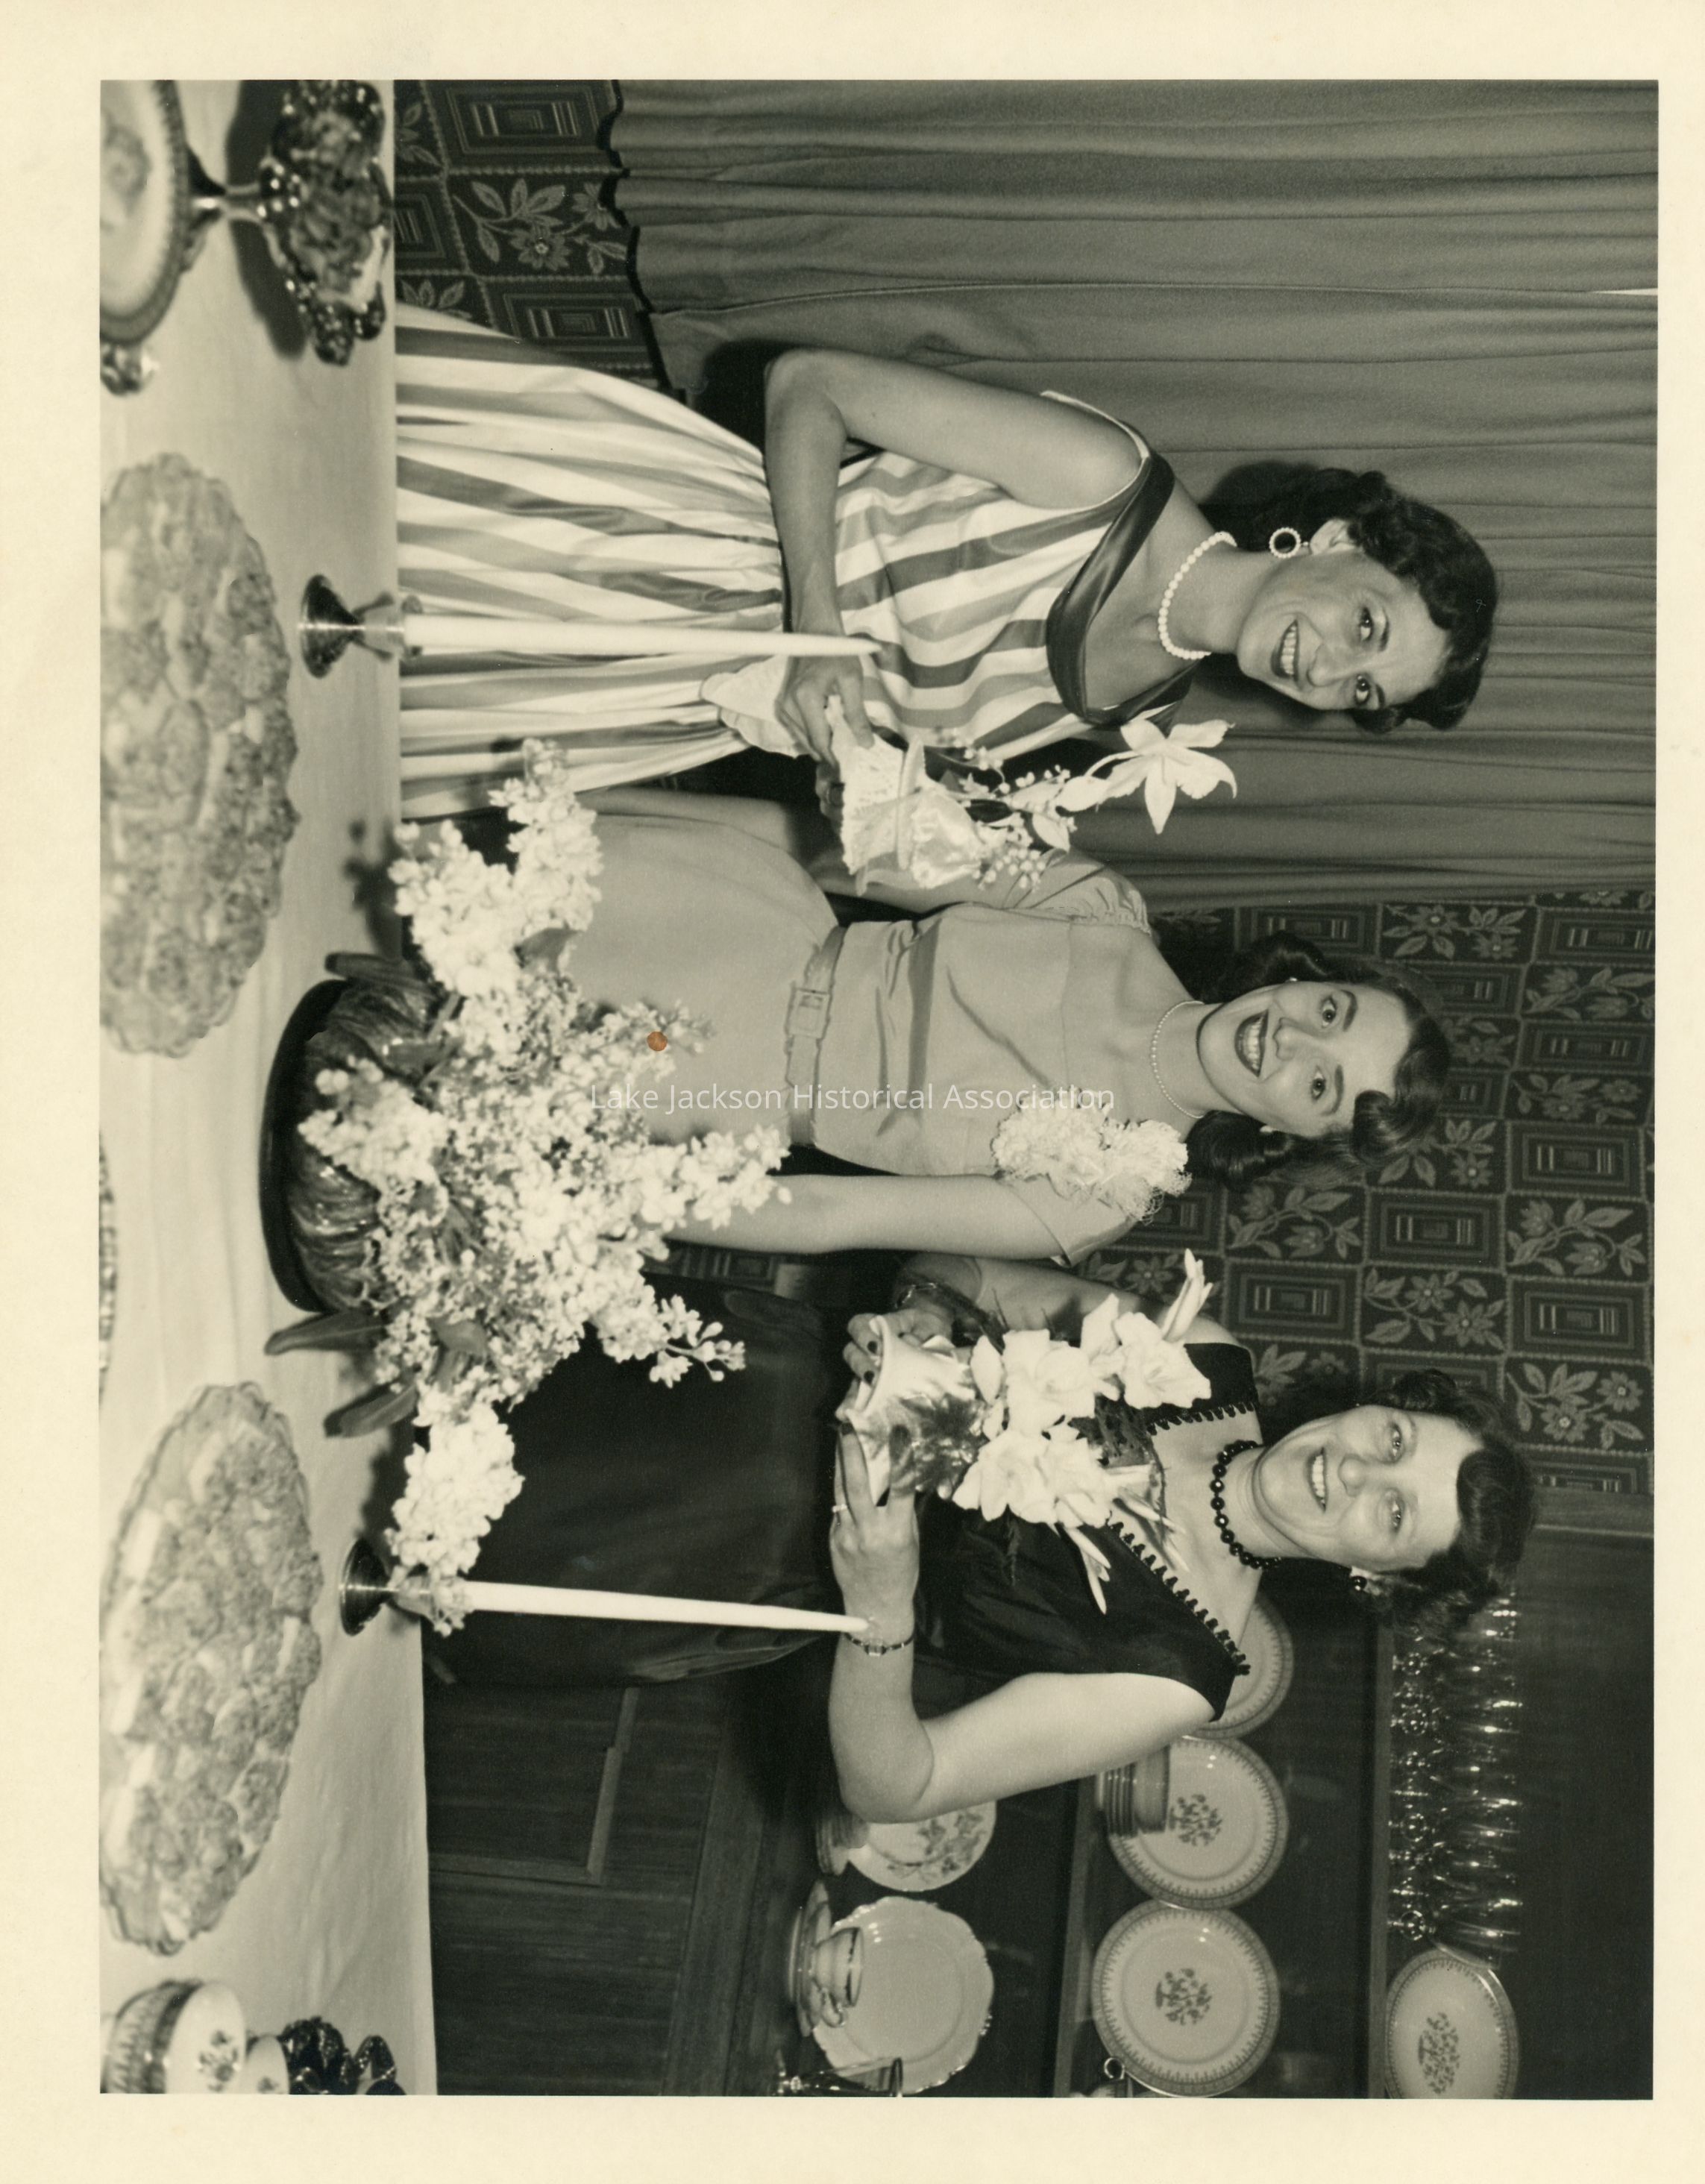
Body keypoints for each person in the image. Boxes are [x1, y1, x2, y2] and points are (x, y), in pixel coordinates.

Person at [426, 1253, 1533, 1824]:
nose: (1356, 1471)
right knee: (417, 1325)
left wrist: (882, 1606)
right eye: (1394, 1439)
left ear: (1371, 1576)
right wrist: (928, 1315)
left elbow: (898, 1786)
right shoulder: (1201, 1349)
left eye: (1392, 1513)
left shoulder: (1175, 1678)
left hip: (676, 1557)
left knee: (397, 1534)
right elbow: (963, 1275)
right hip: (709, 1364)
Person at [394, 311, 1498, 818]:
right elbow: (808, 385)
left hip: (663, 700)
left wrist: (877, 798)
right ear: (1339, 542)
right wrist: (815, 635)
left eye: (1363, 691)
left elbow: (874, 714)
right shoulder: (1102, 476)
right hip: (634, 544)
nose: (1330, 672)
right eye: (1367, 627)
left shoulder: (1140, 710)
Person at [556, 790, 1451, 1261]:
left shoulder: (1100, 1195)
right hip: (722, 909)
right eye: (1329, 1011)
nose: (1293, 1040)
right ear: (1305, 978)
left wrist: (574, 1202)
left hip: (706, 1089)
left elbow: (824, 1213)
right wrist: (587, 804)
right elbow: (828, 850)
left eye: (1321, 1084)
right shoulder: (1100, 905)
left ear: (1286, 1135)